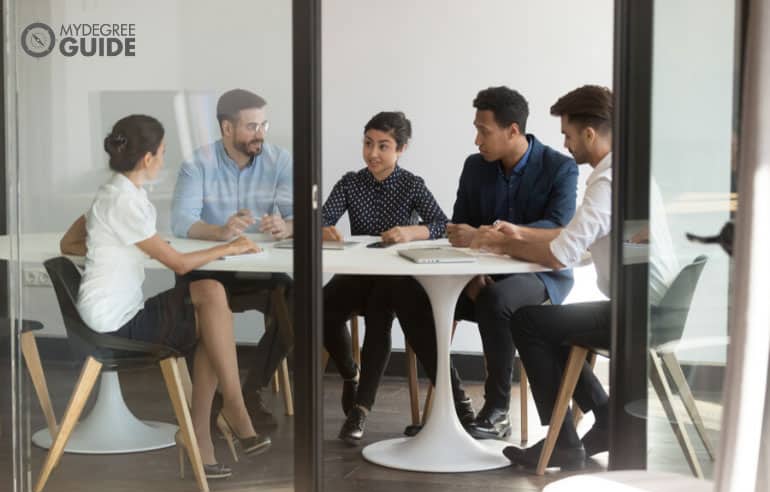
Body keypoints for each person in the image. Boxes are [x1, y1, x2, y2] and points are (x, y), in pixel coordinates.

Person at [470, 85, 677, 470]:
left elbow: (559, 254)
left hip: (639, 314)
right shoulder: (628, 173)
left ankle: (564, 442)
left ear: (589, 134)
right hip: (656, 308)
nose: (565, 143)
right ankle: (604, 416)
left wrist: (499, 246)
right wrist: (518, 236)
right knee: (553, 324)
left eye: (567, 134)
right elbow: (578, 240)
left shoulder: (607, 182)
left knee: (528, 320)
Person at [61, 115, 270, 479]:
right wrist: (230, 247)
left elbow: (70, 242)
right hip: (115, 323)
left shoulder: (114, 192)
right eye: (162, 153)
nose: (163, 160)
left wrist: (114, 245)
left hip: (111, 313)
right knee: (210, 295)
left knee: (211, 304)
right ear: (147, 159)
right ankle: (231, 414)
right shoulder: (122, 201)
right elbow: (178, 265)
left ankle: (206, 434)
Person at [396, 86, 579, 440]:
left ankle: (497, 410)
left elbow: (557, 228)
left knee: (498, 301)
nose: (477, 139)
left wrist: (497, 240)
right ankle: (455, 406)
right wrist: (473, 272)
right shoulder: (475, 167)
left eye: (484, 130)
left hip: (541, 275)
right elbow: (459, 228)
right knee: (408, 294)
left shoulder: (560, 168)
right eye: (476, 129)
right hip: (480, 273)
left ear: (513, 130)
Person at [321, 111, 472, 445]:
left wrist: (411, 231)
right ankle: (350, 373)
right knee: (319, 308)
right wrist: (324, 231)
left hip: (397, 279)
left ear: (401, 149)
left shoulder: (411, 185)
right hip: (359, 273)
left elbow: (443, 226)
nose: (373, 153)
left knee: (380, 313)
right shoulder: (350, 182)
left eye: (383, 146)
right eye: (368, 143)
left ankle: (361, 409)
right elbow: (322, 218)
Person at [171, 89, 293, 427]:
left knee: (296, 301)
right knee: (204, 300)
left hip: (259, 270)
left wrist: (285, 226)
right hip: (210, 269)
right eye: (252, 126)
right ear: (227, 128)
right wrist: (220, 232)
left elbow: (301, 217)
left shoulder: (279, 160)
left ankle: (248, 394)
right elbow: (181, 221)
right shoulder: (197, 164)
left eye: (264, 125)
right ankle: (212, 401)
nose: (261, 134)